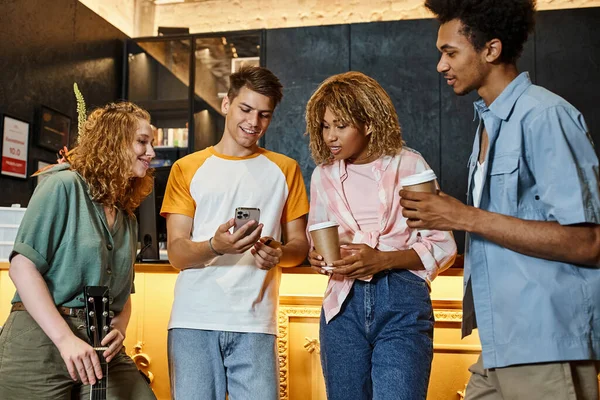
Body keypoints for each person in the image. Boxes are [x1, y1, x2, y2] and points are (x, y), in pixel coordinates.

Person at [399, 1, 600, 398]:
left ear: (490, 50)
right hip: (500, 344)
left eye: (450, 52)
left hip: (546, 343)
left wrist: (464, 216)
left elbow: (589, 242)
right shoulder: (489, 123)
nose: (441, 65)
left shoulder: (545, 116)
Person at [305, 71, 457, 400]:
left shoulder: (410, 166)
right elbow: (316, 239)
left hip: (403, 299)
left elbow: (443, 246)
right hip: (342, 307)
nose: (330, 136)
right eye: (325, 125)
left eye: (340, 125)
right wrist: (315, 258)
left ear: (369, 123)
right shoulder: (323, 176)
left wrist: (382, 260)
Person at [161, 65, 309, 400]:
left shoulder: (286, 170)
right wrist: (215, 246)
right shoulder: (187, 168)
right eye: (245, 109)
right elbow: (177, 253)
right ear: (226, 104)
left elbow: (299, 246)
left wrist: (280, 254)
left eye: (264, 115)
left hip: (256, 323)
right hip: (193, 320)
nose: (253, 123)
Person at [0, 101, 157, 399]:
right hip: (39, 338)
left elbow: (124, 298)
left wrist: (119, 331)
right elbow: (22, 267)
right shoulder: (63, 185)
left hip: (98, 342)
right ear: (114, 142)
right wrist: (65, 340)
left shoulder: (127, 216)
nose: (151, 153)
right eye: (142, 142)